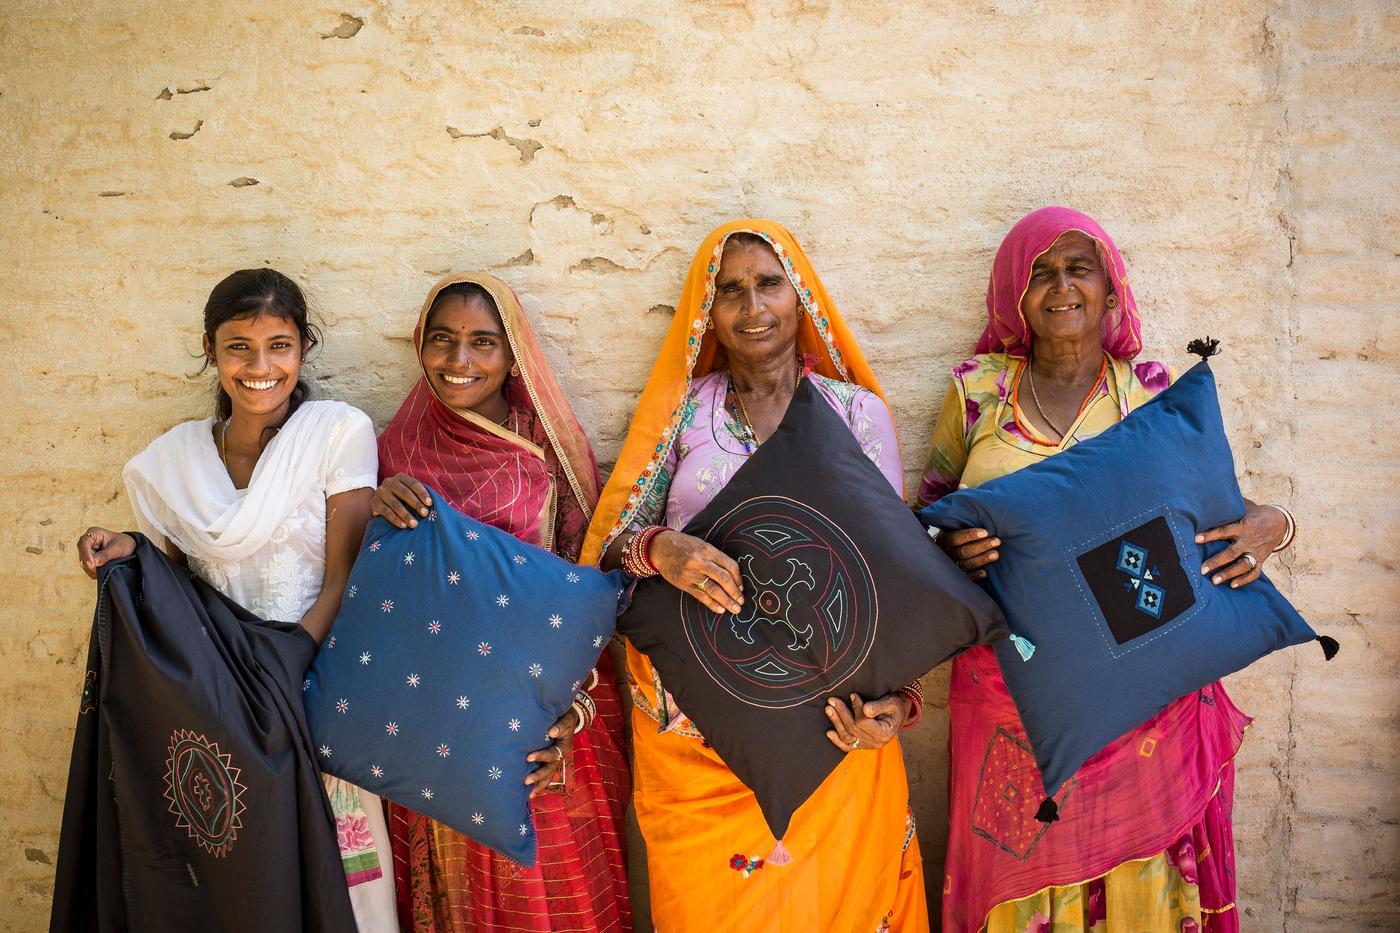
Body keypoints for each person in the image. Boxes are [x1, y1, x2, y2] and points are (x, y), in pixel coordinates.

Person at [917, 206, 1295, 933]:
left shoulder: (1146, 390)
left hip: (1141, 686)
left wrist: (1275, 522)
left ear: (1111, 289)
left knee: (1141, 887)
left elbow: (1210, 507)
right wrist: (950, 547)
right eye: (1040, 273)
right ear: (1012, 298)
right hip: (1012, 697)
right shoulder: (977, 391)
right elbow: (926, 516)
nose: (1061, 287)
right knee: (1019, 873)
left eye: (1078, 268)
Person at [580, 220, 929, 931]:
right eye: (731, 289)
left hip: (830, 733)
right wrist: (662, 550)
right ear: (709, 309)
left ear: (801, 296)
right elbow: (608, 549)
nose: (752, 305)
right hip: (693, 733)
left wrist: (902, 699)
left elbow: (897, 580)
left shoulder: (855, 414)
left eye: (769, 283)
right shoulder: (684, 412)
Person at [77, 268, 399, 931]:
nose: (260, 366)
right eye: (238, 347)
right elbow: (175, 605)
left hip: (314, 694)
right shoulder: (172, 464)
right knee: (243, 890)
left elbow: (346, 578)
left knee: (341, 889)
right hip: (223, 718)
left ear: (303, 347)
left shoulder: (336, 434)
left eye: (279, 344)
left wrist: (287, 673)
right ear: (208, 348)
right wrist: (132, 551)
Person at [369, 272, 631, 932]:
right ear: (419, 346)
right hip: (431, 723)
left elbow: (592, 592)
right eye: (443, 340)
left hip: (535, 719)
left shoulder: (549, 457)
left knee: (548, 905)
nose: (461, 361)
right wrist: (369, 510)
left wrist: (568, 713)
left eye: (483, 342)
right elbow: (364, 594)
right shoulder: (391, 453)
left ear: (513, 355)